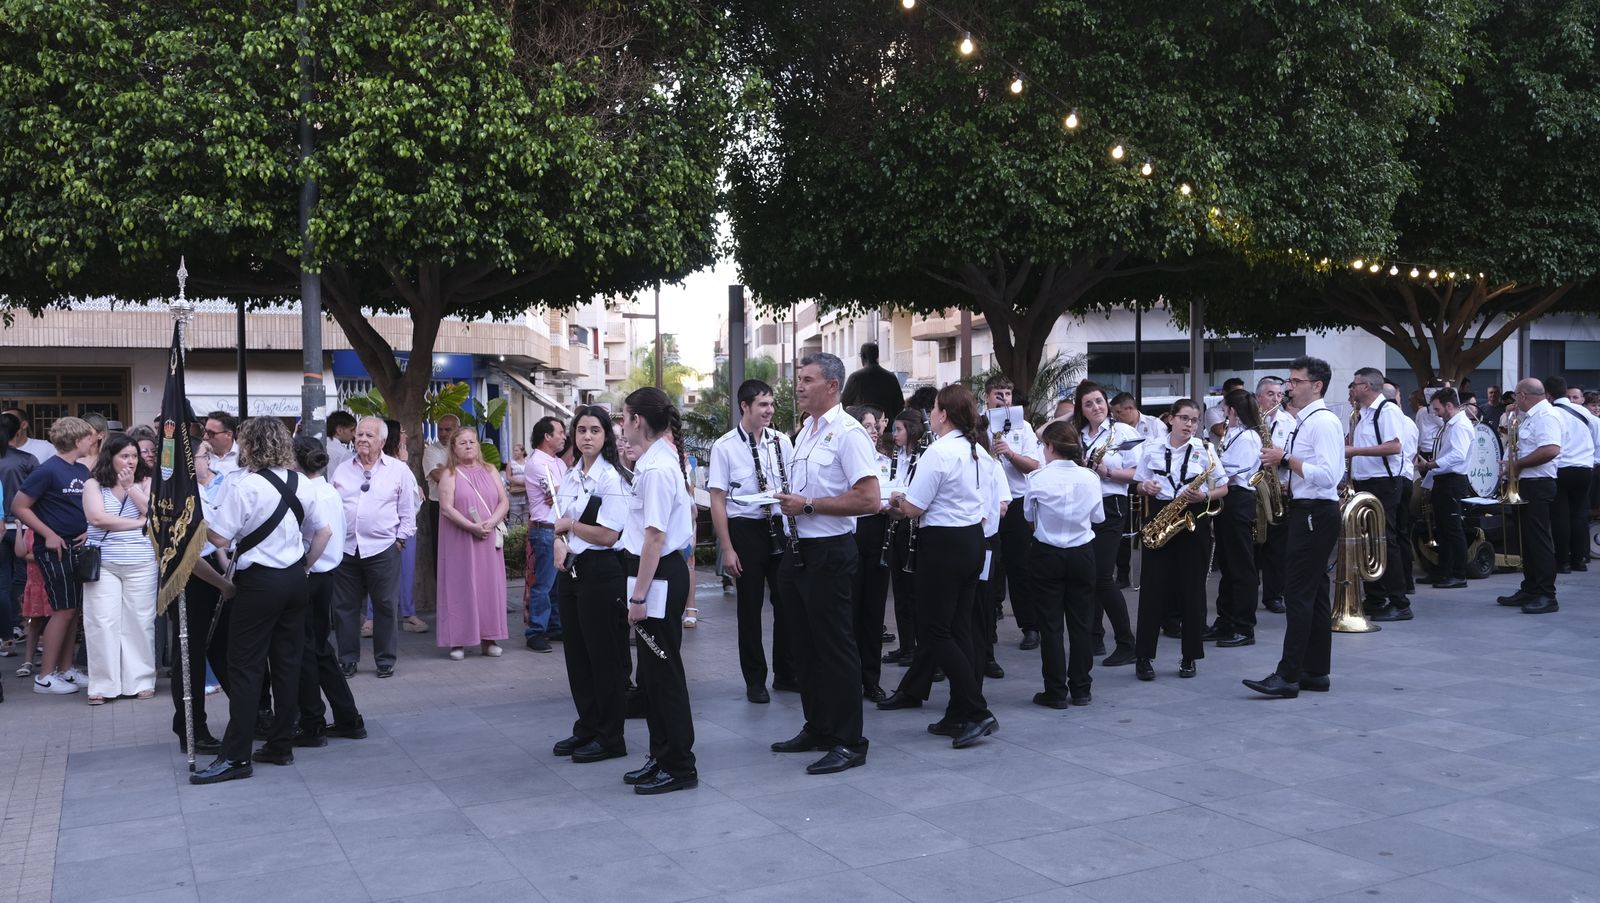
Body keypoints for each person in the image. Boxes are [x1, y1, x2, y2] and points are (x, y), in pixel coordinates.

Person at [193, 417, 325, 784]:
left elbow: (219, 539)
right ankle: (281, 745)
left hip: (260, 583)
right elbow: (323, 531)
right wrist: (304, 566)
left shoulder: (246, 486)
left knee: (246, 667)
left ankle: (236, 757)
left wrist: (195, 520)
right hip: (294, 580)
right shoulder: (302, 482)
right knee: (287, 665)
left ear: (249, 444)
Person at [771, 353, 881, 774]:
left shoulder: (849, 433)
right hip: (797, 553)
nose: (798, 386)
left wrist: (810, 505)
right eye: (798, 379)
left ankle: (850, 740)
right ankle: (817, 726)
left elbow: (869, 499)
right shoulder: (806, 431)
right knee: (804, 647)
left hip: (830, 552)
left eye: (807, 380)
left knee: (835, 649)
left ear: (832, 386)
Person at [887, 384, 998, 747]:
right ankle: (959, 712)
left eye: (933, 409)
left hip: (944, 545)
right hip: (971, 541)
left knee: (936, 631)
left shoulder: (939, 451)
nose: (929, 415)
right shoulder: (976, 449)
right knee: (959, 628)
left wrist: (891, 502)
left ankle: (978, 711)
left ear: (944, 414)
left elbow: (914, 508)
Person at [1245, 356, 1345, 698]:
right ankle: (1315, 672)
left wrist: (1285, 460)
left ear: (1316, 386)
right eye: (1290, 381)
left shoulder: (1322, 422)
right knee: (1315, 594)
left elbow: (1331, 475)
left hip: (1315, 513)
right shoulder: (1306, 421)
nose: (1289, 387)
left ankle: (1287, 675)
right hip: (1308, 507)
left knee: (1298, 594)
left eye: (1296, 381)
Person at [618, 387, 698, 794]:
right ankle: (661, 754)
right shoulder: (656, 460)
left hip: (658, 575)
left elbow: (653, 538)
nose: (621, 423)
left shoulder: (656, 467)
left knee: (663, 674)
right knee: (651, 674)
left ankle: (679, 765)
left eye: (623, 416)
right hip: (659, 573)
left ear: (637, 421)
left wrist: (638, 598)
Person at [707, 380, 797, 704]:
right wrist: (728, 548)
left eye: (771, 404)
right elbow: (717, 500)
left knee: (786, 603)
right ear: (744, 406)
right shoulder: (725, 446)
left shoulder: (781, 442)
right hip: (746, 528)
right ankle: (755, 680)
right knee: (749, 608)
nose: (769, 410)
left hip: (779, 526)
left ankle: (786, 674)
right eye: (762, 405)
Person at [551, 405, 632, 763]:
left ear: (606, 436)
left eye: (594, 431)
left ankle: (611, 736)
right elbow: (558, 523)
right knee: (578, 657)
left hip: (602, 571)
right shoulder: (571, 474)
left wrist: (569, 527)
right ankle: (587, 726)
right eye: (581, 430)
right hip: (571, 570)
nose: (587, 437)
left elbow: (609, 534)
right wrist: (558, 542)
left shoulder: (611, 478)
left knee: (605, 659)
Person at [1133, 399, 1225, 680]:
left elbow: (1223, 487)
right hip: (1161, 516)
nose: (1189, 424)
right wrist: (1144, 486)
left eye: (1194, 420)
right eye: (1184, 418)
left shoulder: (1206, 450)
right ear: (1171, 419)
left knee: (1193, 591)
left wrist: (1205, 495)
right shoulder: (1151, 447)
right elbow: (1138, 483)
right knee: (1152, 590)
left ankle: (1190, 657)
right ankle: (1144, 657)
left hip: (1193, 517)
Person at [11, 417, 98, 695]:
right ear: (76, 440)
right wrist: (47, 533)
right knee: (62, 610)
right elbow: (19, 505)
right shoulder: (47, 470)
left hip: (76, 547)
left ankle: (66, 669)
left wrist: (88, 529)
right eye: (88, 437)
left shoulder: (81, 470)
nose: (93, 441)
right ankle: (45, 676)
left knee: (72, 611)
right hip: (53, 550)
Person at [290, 436, 365, 747]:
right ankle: (346, 717)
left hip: (312, 574)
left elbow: (321, 535)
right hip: (326, 574)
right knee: (319, 650)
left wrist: (305, 566)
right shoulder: (328, 491)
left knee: (308, 651)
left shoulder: (308, 493)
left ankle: (313, 721)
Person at [330, 416, 417, 678]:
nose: (362, 439)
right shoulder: (343, 470)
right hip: (347, 549)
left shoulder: (398, 470)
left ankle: (385, 660)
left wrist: (400, 541)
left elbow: (408, 511)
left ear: (381, 440)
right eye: (359, 435)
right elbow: (332, 507)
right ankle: (347, 659)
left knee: (385, 606)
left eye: (369, 435)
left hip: (383, 549)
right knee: (345, 607)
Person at [1025, 420, 1103, 709]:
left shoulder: (1037, 479)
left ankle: (1055, 690)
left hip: (1047, 553)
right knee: (1082, 623)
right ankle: (1082, 688)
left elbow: (1028, 516)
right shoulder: (1090, 478)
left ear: (1050, 447)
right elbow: (1098, 517)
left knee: (1051, 625)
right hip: (1082, 551)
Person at [80, 434, 158, 704]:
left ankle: (140, 680)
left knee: (140, 621)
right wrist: (138, 523)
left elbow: (155, 514)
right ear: (110, 457)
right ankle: (102, 684)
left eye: (134, 456)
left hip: (142, 561)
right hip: (104, 562)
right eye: (124, 456)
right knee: (101, 621)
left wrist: (132, 489)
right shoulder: (93, 484)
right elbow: (97, 518)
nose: (131, 461)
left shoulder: (147, 482)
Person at [1072, 381, 1139, 666]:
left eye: (1099, 401)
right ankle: (1094, 637)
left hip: (1111, 504)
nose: (1096, 407)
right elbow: (1043, 432)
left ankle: (1127, 642)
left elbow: (1135, 473)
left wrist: (1106, 470)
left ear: (1107, 403)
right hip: (1082, 506)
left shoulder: (1122, 431)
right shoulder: (1077, 434)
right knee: (1089, 574)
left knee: (1101, 577)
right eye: (1088, 404)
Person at [435, 428, 510, 660]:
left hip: (487, 538)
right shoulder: (450, 474)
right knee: (460, 586)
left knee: (489, 587)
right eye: (463, 443)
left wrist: (491, 522)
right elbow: (446, 508)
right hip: (460, 539)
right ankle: (457, 640)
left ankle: (489, 639)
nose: (469, 446)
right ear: (454, 448)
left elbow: (503, 501)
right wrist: (471, 527)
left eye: (472, 441)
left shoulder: (490, 470)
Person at [1344, 367, 1411, 620]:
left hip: (1383, 483)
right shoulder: (1361, 413)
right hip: (1364, 482)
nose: (1352, 388)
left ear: (1368, 386)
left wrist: (1354, 451)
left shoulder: (1388, 410)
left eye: (1355, 383)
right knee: (1366, 541)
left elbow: (1394, 446)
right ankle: (1375, 596)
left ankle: (1399, 601)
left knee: (1385, 541)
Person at [984, 375, 1043, 651]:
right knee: (988, 566)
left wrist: (1009, 454)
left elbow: (1033, 465)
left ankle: (1030, 626)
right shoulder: (977, 425)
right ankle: (987, 626)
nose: (1004, 399)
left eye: (1008, 394)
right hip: (987, 504)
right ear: (987, 397)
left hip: (1017, 503)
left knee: (1020, 566)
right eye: (998, 394)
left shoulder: (1025, 427)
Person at [1495, 379, 1562, 613]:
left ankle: (1546, 593)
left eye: (1516, 396)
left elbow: (1551, 449)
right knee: (1527, 541)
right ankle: (1531, 588)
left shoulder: (1545, 416)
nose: (1514, 401)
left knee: (1538, 540)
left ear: (1523, 395)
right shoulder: (1531, 416)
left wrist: (1517, 464)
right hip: (1526, 483)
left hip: (1538, 484)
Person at [1203, 390, 1263, 647]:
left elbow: (1231, 470)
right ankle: (1225, 620)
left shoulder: (1249, 436)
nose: (1222, 413)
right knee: (1227, 564)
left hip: (1239, 499)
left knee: (1241, 565)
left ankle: (1244, 626)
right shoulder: (1235, 433)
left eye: (1224, 408)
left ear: (1233, 410)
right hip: (1228, 499)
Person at [847, 405, 893, 703]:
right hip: (851, 536)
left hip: (879, 537)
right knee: (850, 613)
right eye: (866, 426)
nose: (873, 430)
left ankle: (871, 680)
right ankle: (849, 679)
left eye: (875, 425)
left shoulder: (887, 462)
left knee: (874, 614)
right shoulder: (849, 461)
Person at [880, 408, 926, 666]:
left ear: (912, 430)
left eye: (898, 429)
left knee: (912, 591)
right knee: (899, 590)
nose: (893, 434)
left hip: (912, 525)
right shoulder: (898, 455)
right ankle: (906, 645)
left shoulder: (923, 457)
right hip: (897, 522)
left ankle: (917, 647)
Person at [1415, 388, 1473, 589]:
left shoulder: (1460, 426)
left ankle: (1458, 574)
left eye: (1438, 409)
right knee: (1443, 528)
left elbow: (1457, 455)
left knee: (1452, 529)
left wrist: (1431, 465)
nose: (1436, 413)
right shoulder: (1452, 425)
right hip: (1444, 479)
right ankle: (1443, 571)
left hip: (1453, 480)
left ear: (1449, 406)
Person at [522, 416, 569, 652]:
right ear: (547, 436)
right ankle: (536, 631)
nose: (564, 436)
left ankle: (554, 626)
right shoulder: (537, 463)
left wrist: (563, 491)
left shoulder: (558, 463)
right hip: (545, 531)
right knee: (543, 584)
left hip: (558, 529)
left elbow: (565, 491)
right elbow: (554, 492)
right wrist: (564, 491)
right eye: (560, 432)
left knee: (556, 584)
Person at [1545, 376, 1596, 573]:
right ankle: (1580, 560)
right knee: (1580, 514)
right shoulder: (1584, 412)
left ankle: (1563, 562)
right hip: (1584, 469)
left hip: (1561, 468)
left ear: (1548, 394)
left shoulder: (1551, 413)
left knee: (1560, 517)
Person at [1, 412, 38, 659]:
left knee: (3, 581)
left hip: (4, 524)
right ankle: (23, 625)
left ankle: (7, 634)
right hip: (23, 525)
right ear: (19, 431)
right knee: (26, 579)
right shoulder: (27, 459)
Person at [1254, 377, 1293, 615]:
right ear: (1258, 397)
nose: (1276, 399)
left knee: (1277, 546)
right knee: (1253, 544)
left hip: (1278, 486)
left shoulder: (1289, 422)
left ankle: (1274, 594)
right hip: (1253, 487)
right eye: (1271, 394)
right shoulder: (1249, 421)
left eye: (1279, 395)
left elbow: (1293, 453)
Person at [840, 342, 906, 427]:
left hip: (864, 430)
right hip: (887, 429)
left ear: (863, 356)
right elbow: (900, 405)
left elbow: (843, 404)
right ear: (877, 356)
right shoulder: (891, 377)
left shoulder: (856, 377)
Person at [202, 411, 241, 479]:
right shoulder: (198, 455)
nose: (205, 436)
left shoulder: (243, 457)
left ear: (228, 435)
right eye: (204, 431)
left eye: (211, 433)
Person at [505, 442, 529, 527]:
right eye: (514, 451)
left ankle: (525, 536)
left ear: (522, 452)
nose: (514, 452)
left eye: (517, 450)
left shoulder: (527, 463)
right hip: (515, 493)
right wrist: (519, 482)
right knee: (515, 516)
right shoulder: (511, 463)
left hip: (525, 493)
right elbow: (508, 477)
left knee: (525, 516)